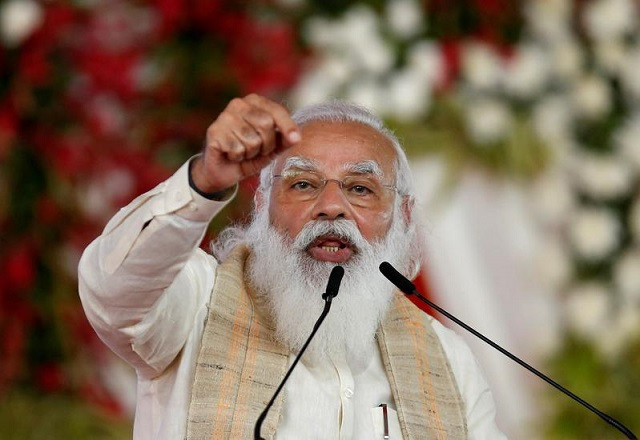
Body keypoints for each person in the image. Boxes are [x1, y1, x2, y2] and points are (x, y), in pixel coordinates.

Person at [78, 94, 507, 439]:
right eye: (303, 184)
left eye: (360, 188)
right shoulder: (195, 304)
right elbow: (112, 291)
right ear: (263, 204)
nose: (331, 207)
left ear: (403, 216)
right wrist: (203, 182)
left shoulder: (448, 362)